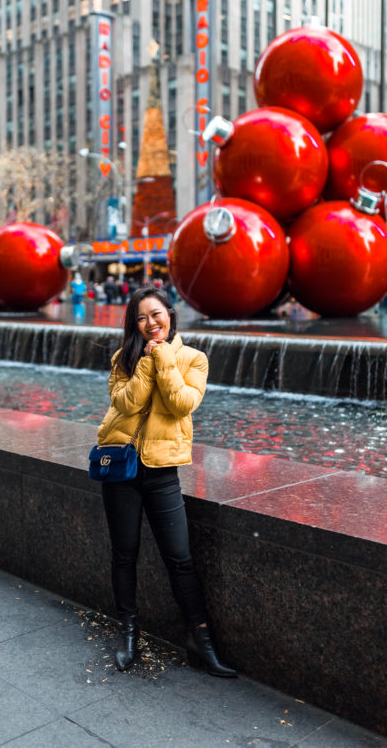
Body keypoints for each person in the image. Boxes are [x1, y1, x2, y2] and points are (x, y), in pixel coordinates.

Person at [96, 285, 236, 677]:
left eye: (155, 314)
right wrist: (144, 363)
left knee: (181, 559)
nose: (149, 323)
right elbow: (125, 404)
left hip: (162, 473)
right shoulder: (123, 358)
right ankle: (127, 634)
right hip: (121, 470)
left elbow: (181, 404)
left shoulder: (195, 360)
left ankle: (200, 641)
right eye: (140, 317)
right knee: (124, 555)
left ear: (170, 315)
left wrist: (164, 360)